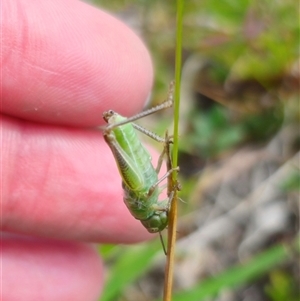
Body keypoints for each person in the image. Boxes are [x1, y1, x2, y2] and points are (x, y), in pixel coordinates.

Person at [1, 1, 156, 300]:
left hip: (134, 172)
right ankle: (143, 119)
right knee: (135, 160)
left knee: (132, 159)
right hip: (135, 167)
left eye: (154, 220)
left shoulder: (144, 206)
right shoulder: (148, 202)